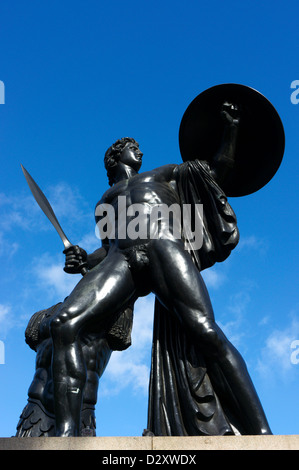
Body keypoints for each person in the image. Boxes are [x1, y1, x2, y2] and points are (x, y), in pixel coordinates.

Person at [49, 103, 272, 436]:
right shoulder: (104, 202)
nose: (139, 149)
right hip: (121, 260)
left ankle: (261, 433)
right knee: (64, 325)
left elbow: (217, 171)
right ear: (116, 157)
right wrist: (83, 260)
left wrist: (232, 129)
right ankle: (66, 434)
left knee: (205, 330)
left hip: (163, 245)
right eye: (131, 146)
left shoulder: (162, 174)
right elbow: (107, 248)